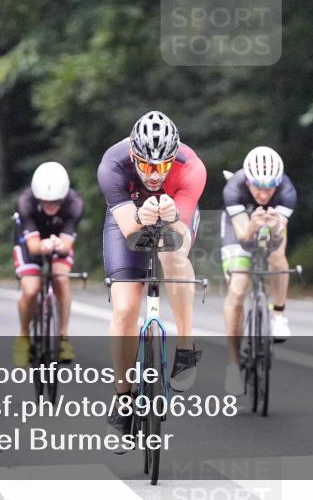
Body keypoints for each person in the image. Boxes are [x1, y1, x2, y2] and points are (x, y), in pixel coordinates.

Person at [98, 111, 206, 435]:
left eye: (163, 166)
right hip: (129, 216)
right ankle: (122, 398)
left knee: (173, 256)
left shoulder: (192, 168)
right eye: (146, 166)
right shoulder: (113, 165)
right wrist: (140, 216)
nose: (155, 175)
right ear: (134, 156)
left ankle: (185, 348)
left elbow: (182, 236)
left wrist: (172, 216)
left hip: (175, 213)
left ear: (174, 158)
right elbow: (129, 231)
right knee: (125, 309)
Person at [221, 146, 296, 394]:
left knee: (277, 255)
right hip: (239, 226)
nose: (263, 194)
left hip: (272, 223)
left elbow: (278, 238)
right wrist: (253, 226)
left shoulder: (287, 192)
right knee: (238, 288)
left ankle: (278, 315)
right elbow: (244, 238)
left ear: (278, 183)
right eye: (257, 188)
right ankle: (233, 363)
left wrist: (274, 228)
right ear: (248, 182)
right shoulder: (234, 188)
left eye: (269, 188)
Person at [11, 162, 84, 366]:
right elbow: (34, 247)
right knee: (31, 289)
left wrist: (59, 245)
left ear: (64, 197)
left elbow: (66, 245)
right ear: (37, 196)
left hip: (58, 239)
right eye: (45, 202)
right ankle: (23, 336)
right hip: (29, 242)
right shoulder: (25, 202)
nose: (50, 206)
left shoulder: (75, 204)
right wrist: (44, 245)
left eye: (55, 202)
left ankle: (63, 338)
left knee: (61, 278)